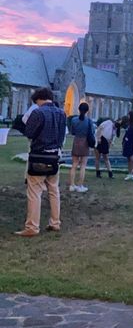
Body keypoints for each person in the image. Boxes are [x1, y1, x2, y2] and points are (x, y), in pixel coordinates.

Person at [14, 87, 66, 237]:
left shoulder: (38, 112)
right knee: (54, 190)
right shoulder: (62, 114)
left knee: (34, 192)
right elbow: (62, 136)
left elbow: (30, 133)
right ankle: (55, 222)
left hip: (39, 156)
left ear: (38, 99)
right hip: (54, 156)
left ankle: (32, 227)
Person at [69, 102, 94, 193]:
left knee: (74, 164)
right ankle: (80, 185)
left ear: (79, 109)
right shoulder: (89, 121)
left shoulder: (74, 120)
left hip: (76, 141)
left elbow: (72, 131)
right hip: (85, 142)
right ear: (87, 111)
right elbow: (92, 132)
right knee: (83, 165)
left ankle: (72, 185)